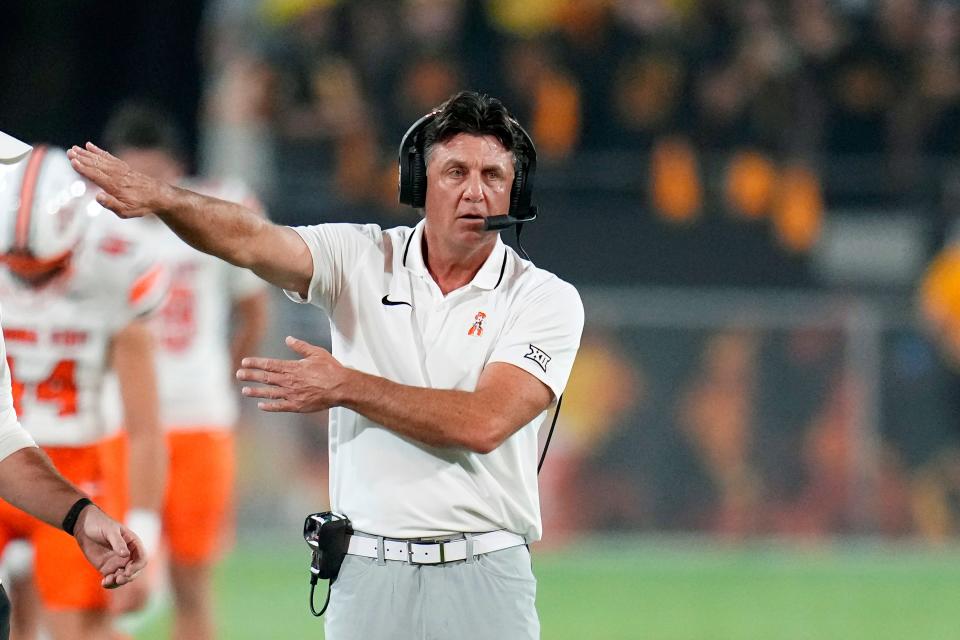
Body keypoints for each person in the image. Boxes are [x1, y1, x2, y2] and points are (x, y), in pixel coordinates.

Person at [70, 90, 584, 640]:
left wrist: (346, 386)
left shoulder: (543, 299)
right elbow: (250, 240)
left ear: (516, 189)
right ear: (419, 183)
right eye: (455, 171)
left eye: (493, 175)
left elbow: (484, 423)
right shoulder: (361, 257)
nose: (476, 192)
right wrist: (164, 200)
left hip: (486, 571)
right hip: (367, 570)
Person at [99, 102, 269, 640]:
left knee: (193, 583)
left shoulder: (214, 210)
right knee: (103, 583)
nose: (141, 188)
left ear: (176, 169)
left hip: (197, 418)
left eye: (152, 174)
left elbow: (254, 308)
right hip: (116, 424)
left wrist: (227, 375)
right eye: (131, 174)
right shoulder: (90, 219)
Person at [0, 142, 167, 640]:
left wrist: (146, 532)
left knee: (78, 630)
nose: (32, 287)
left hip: (77, 467)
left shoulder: (116, 268)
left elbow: (145, 426)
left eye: (48, 269)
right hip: (7, 455)